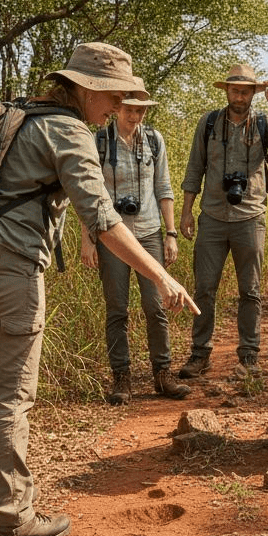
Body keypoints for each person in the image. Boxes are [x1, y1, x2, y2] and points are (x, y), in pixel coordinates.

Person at [0, 43, 198, 536]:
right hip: (6, 266)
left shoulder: (25, 114)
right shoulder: (69, 129)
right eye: (113, 95)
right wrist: (162, 276)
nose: (117, 105)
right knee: (11, 395)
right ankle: (11, 517)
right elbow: (101, 218)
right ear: (85, 89)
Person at [177, 64, 268, 380]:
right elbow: (194, 170)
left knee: (251, 291)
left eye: (246, 90)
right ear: (226, 91)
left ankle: (248, 358)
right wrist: (186, 212)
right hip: (213, 218)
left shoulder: (262, 123)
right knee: (204, 288)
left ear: (253, 94)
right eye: (235, 90)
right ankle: (199, 355)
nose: (240, 96)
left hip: (250, 217)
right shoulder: (208, 123)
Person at [79, 77, 190, 404]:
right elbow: (88, 194)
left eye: (140, 110)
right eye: (129, 109)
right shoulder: (99, 142)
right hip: (112, 237)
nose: (135, 115)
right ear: (117, 109)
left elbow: (164, 189)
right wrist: (88, 240)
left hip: (149, 233)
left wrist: (170, 233)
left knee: (156, 304)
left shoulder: (155, 141)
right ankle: (122, 378)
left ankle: (163, 375)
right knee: (117, 308)